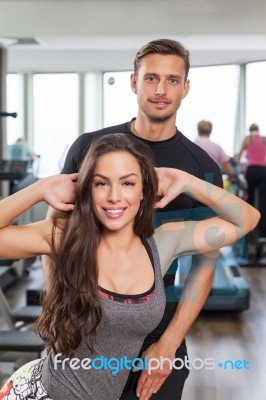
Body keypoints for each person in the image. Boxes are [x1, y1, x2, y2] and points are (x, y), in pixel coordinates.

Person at [0, 133, 260, 400]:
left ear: (144, 189)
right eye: (101, 183)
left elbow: (248, 219)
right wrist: (40, 189)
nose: (114, 196)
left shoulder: (163, 242)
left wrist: (187, 182)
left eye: (128, 183)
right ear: (87, 188)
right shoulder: (66, 236)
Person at [43, 39, 225, 399]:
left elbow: (205, 265)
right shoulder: (90, 148)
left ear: (186, 88)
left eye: (173, 80)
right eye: (151, 78)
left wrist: (169, 342)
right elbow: (56, 228)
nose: (161, 90)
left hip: (158, 328)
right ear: (133, 82)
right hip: (85, 323)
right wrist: (56, 306)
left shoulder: (202, 169)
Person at [236, 123, 266, 238]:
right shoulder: (264, 139)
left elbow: (239, 156)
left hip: (251, 171)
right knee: (264, 203)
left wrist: (236, 166)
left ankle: (248, 231)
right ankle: (263, 233)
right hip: (263, 171)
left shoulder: (248, 139)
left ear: (250, 130)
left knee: (249, 200)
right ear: (258, 130)